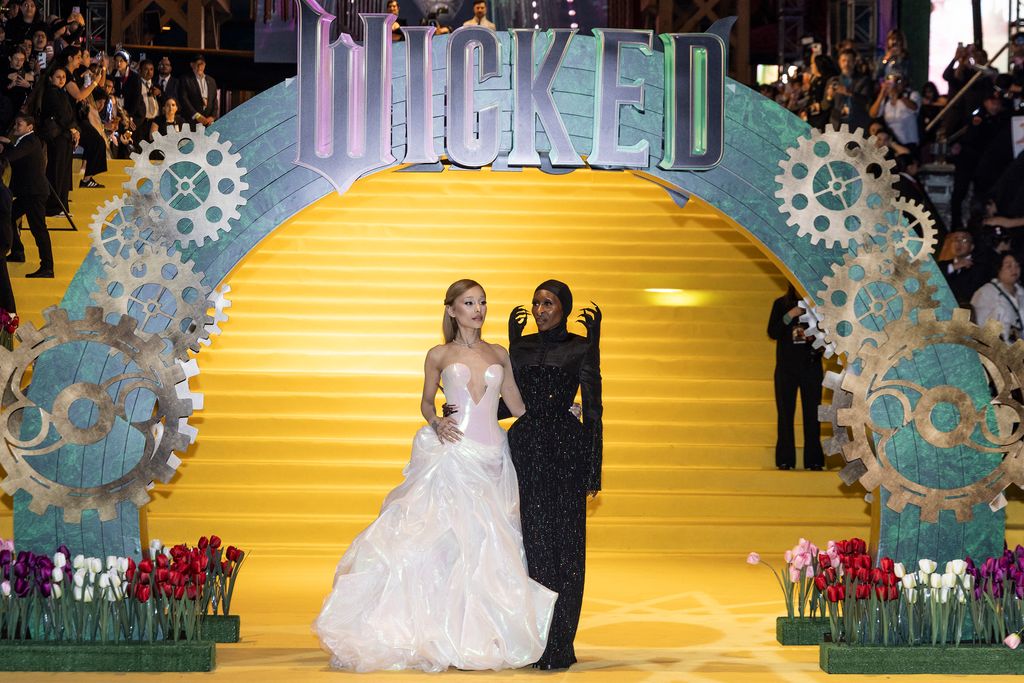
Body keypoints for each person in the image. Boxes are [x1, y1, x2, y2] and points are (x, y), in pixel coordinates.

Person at [314, 279, 556, 673]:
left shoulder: (499, 353)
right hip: (454, 456)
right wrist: (435, 422)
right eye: (468, 302)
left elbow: (516, 406)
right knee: (447, 542)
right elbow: (427, 402)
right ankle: (437, 629)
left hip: (494, 457)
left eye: (482, 302)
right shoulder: (438, 354)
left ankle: (481, 632)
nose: (478, 309)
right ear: (452, 309)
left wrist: (560, 415)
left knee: (489, 545)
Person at [500, 280, 602, 669]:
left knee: (568, 548)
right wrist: (461, 410)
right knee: (534, 544)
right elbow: (509, 404)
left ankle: (561, 642)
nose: (541, 310)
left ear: (564, 307)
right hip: (525, 448)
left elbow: (593, 410)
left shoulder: (581, 346)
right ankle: (538, 639)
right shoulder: (520, 347)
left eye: (549, 303)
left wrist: (594, 468)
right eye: (537, 303)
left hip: (566, 450)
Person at [767, 284, 824, 471]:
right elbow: (772, 332)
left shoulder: (818, 306)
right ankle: (785, 459)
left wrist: (814, 339)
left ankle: (814, 460)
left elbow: (828, 335)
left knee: (812, 415)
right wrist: (789, 315)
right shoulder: (781, 304)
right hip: (786, 368)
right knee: (785, 415)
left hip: (811, 367)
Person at [0, 115, 53, 278]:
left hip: (34, 193)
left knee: (39, 230)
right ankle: (17, 251)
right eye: (15, 123)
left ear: (30, 127)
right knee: (9, 217)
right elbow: (15, 152)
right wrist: (8, 144)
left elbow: (12, 157)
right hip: (28, 192)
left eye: (19, 124)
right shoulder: (25, 141)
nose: (16, 127)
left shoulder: (30, 141)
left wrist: (5, 148)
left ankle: (47, 267)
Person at [34, 66, 79, 218]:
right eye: (58, 76)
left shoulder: (61, 93)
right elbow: (61, 114)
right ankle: (53, 207)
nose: (61, 80)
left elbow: (69, 115)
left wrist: (75, 130)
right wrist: (73, 129)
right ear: (51, 78)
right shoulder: (51, 93)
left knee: (64, 172)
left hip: (65, 136)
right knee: (57, 171)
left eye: (64, 77)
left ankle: (61, 206)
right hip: (58, 137)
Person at [971, 253, 1024, 342]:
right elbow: (978, 326)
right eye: (1009, 266)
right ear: (998, 269)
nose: (1014, 269)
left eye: (1017, 265)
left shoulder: (1021, 292)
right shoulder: (985, 292)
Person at [869, 73, 921, 151]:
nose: (895, 84)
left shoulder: (912, 95)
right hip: (892, 143)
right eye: (892, 81)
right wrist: (882, 94)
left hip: (910, 142)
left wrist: (898, 95)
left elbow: (914, 107)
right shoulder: (886, 99)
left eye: (898, 81)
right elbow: (873, 114)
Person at [937, 230, 986, 308]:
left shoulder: (979, 267)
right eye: (955, 239)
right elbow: (933, 278)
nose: (958, 243)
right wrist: (954, 267)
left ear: (972, 247)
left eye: (964, 240)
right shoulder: (942, 265)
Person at [178, 54, 217, 127]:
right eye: (197, 64)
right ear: (192, 65)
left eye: (201, 64)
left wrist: (212, 117)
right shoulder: (185, 79)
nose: (199, 67)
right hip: (191, 121)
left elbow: (214, 100)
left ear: (205, 65)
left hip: (208, 122)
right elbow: (184, 99)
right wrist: (197, 115)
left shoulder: (211, 81)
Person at [0, 158, 15, 314]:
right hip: (3, 240)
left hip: (2, 241)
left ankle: (9, 316)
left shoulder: (3, 192)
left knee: (3, 284)